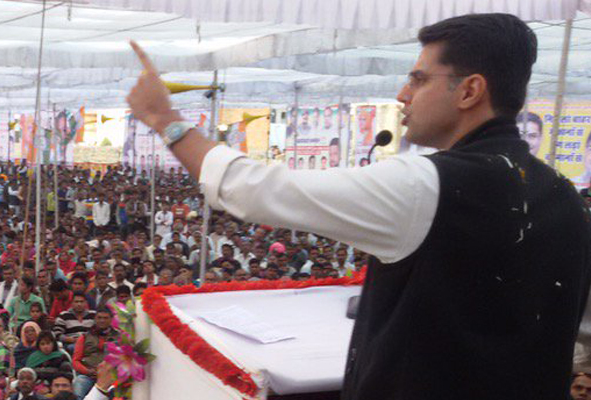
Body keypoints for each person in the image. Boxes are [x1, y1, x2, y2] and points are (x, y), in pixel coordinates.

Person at [126, 13, 591, 399]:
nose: (402, 95)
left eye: (418, 79)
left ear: (470, 91)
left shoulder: (427, 185)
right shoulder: (564, 196)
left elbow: (255, 190)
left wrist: (164, 119)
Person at [72, 307, 119, 400]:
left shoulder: (119, 337)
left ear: (111, 319)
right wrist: (88, 371)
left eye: (105, 318)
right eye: (99, 317)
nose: (102, 320)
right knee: (79, 383)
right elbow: (75, 361)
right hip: (88, 375)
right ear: (95, 319)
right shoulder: (84, 336)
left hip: (111, 376)